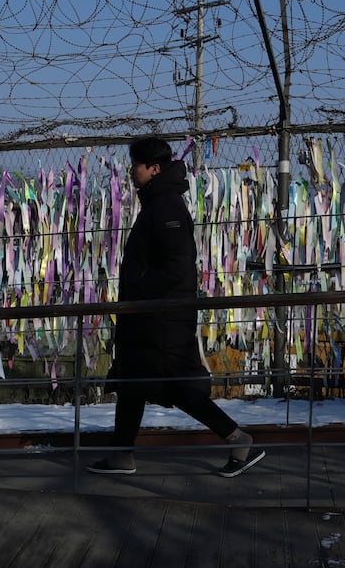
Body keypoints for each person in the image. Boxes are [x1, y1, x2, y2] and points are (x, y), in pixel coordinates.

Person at [89, 137, 264, 478]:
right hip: (148, 317)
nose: (131, 171)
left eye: (136, 165)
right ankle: (121, 455)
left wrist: (137, 296)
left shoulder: (166, 207)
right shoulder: (158, 203)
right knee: (131, 382)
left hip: (161, 320)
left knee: (176, 387)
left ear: (153, 169)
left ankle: (238, 438)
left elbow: (176, 268)